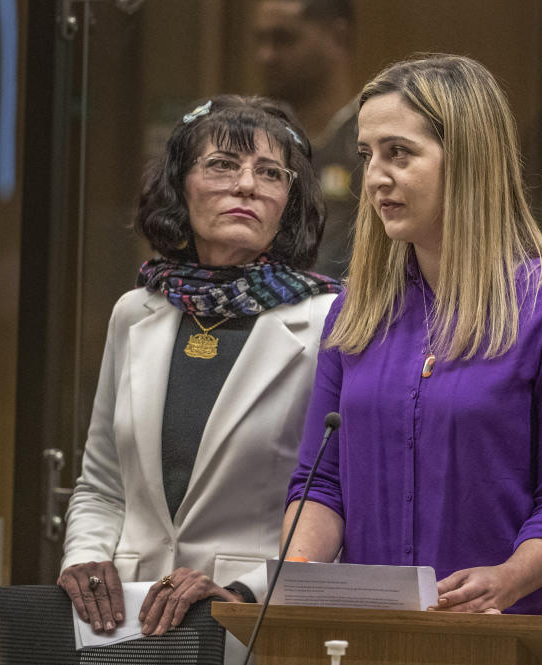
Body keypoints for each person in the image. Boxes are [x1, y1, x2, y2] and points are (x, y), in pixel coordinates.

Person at [283, 54, 542, 646]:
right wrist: (298, 577)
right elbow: (320, 483)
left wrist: (506, 580)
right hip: (373, 638)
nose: (375, 177)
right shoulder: (354, 312)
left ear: (468, 159)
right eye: (367, 155)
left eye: (399, 153)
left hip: (510, 638)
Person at [58, 95, 341, 637]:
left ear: (290, 202)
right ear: (178, 187)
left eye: (270, 173)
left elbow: (337, 497)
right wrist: (84, 558)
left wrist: (246, 594)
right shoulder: (135, 311)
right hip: (124, 617)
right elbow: (101, 484)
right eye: (222, 165)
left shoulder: (331, 321)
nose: (246, 186)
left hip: (250, 618)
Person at [252, 0, 359, 279]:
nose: (266, 56)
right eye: (260, 40)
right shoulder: (252, 140)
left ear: (338, 37)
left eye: (284, 38)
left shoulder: (379, 141)